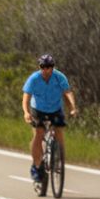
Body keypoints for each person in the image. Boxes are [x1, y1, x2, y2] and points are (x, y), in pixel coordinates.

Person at [22, 53, 77, 183]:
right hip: (38, 110)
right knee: (39, 133)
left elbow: (67, 92)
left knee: (59, 131)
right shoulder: (34, 79)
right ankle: (37, 166)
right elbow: (26, 96)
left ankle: (59, 159)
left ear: (53, 67)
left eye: (49, 66)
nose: (46, 70)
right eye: (43, 66)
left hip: (55, 109)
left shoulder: (59, 77)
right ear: (39, 67)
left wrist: (73, 108)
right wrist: (26, 112)